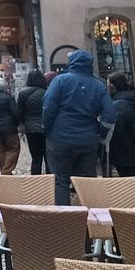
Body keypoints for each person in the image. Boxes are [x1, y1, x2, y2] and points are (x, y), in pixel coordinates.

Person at [42, 49, 115, 205]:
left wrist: (48, 130)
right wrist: (101, 136)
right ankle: (92, 219)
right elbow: (110, 114)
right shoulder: (98, 85)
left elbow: (48, 108)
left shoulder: (60, 81)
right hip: (87, 140)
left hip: (60, 139)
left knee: (60, 181)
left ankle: (65, 222)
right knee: (87, 181)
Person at [106, 72, 135, 179]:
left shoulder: (118, 105)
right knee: (133, 180)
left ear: (112, 86)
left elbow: (117, 131)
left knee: (130, 183)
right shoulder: (134, 98)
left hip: (124, 151)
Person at [16, 69, 48, 175]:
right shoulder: (47, 92)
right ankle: (50, 181)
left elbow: (19, 112)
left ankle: (36, 183)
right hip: (45, 128)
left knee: (36, 158)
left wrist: (20, 125)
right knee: (49, 158)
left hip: (30, 129)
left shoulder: (23, 93)